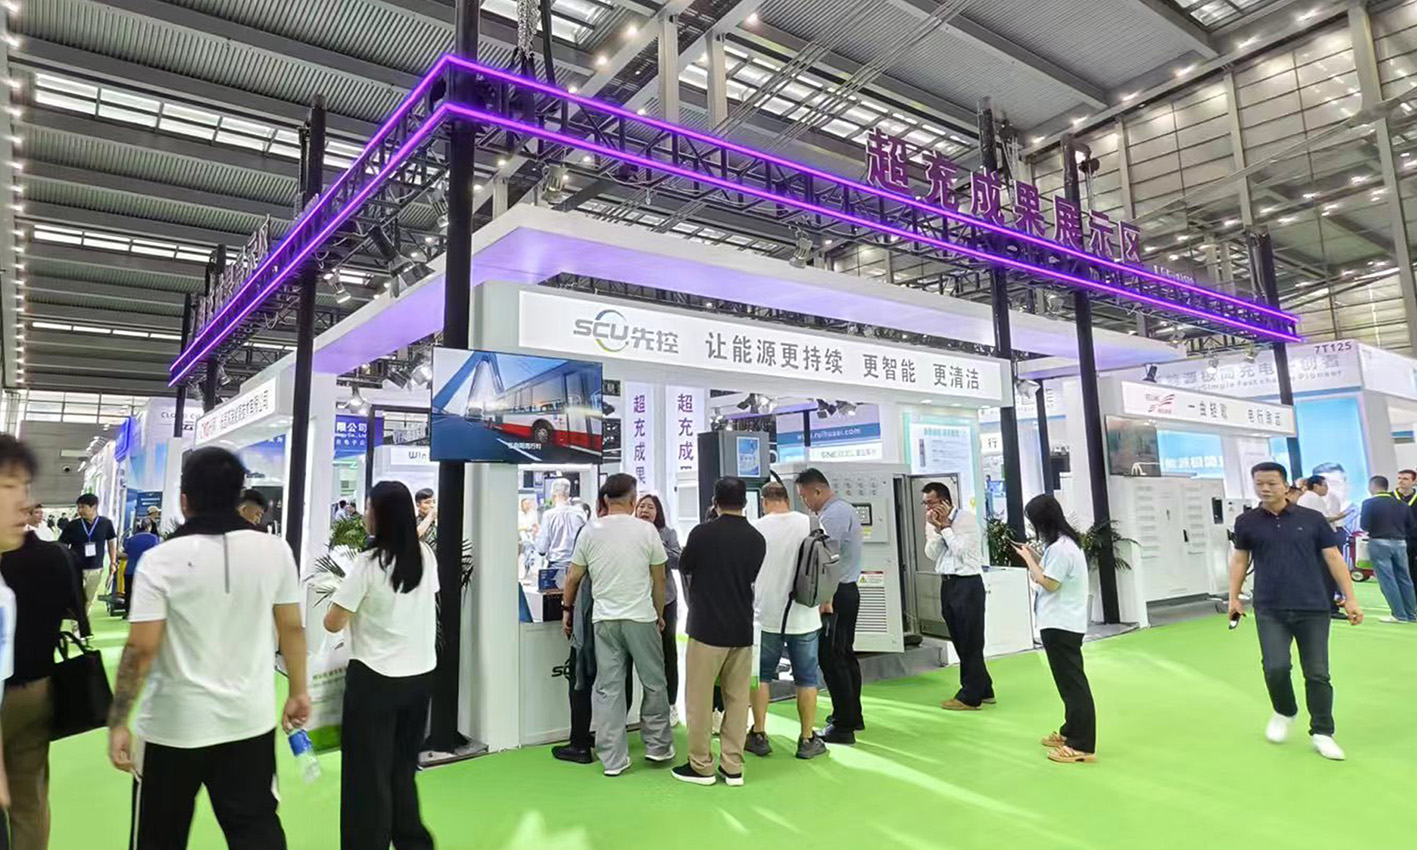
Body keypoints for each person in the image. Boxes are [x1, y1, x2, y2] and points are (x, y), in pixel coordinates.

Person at [107, 447, 309, 849]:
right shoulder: (275, 551)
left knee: (159, 837)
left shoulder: (160, 560)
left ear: (184, 500)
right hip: (248, 722)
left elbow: (141, 650)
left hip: (172, 727)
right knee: (256, 831)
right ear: (238, 496)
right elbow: (291, 628)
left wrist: (118, 720)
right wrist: (298, 691)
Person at [323, 481, 437, 850]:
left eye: (370, 507)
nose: (365, 514)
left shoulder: (368, 564)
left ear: (381, 515)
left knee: (367, 775)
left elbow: (333, 622)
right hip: (419, 676)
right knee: (402, 769)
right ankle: (412, 841)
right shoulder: (424, 555)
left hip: (374, 681)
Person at [1229, 461, 1362, 762]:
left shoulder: (1312, 520)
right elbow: (1239, 560)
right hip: (1269, 606)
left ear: (1286, 485)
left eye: (1271, 483)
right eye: (1259, 483)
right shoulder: (1246, 522)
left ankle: (1323, 732)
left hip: (1312, 606)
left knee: (1317, 673)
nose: (1265, 488)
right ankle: (1284, 711)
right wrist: (1233, 597)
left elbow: (1334, 558)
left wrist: (1350, 598)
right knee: (1275, 667)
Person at [561, 473, 673, 777]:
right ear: (633, 500)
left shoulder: (590, 530)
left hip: (604, 620)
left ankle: (613, 759)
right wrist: (659, 613)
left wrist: (567, 609)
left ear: (605, 499)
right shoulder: (646, 531)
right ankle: (658, 746)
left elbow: (573, 576)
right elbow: (659, 578)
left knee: (608, 689)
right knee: (654, 682)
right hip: (641, 617)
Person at [673, 477, 765, 787]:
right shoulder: (756, 538)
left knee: (699, 699)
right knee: (737, 699)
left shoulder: (702, 533)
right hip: (741, 628)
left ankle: (701, 765)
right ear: (746, 502)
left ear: (714, 502)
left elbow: (685, 566)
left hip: (706, 627)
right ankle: (733, 766)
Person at [0, 438, 66, 848]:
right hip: (36, 687)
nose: (24, 502)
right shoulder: (53, 558)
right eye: (9, 486)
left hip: (23, 692)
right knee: (31, 800)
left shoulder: (5, 592)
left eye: (25, 488)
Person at [1011, 494, 1096, 765]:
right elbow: (1052, 573)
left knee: (1073, 685)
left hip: (1061, 624)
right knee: (1068, 683)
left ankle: (1081, 744)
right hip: (1061, 623)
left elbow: (1049, 583)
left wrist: (1028, 559)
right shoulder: (1064, 545)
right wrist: (1036, 556)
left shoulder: (1061, 549)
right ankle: (1070, 731)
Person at [745, 483, 826, 761]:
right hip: (804, 614)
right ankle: (807, 738)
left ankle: (759, 733)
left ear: (764, 502)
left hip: (765, 614)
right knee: (807, 679)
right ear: (788, 499)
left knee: (761, 676)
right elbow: (826, 564)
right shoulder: (811, 523)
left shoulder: (755, 528)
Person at [795, 468, 864, 744]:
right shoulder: (842, 509)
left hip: (836, 595)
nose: (804, 502)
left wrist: (825, 600)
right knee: (844, 655)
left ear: (817, 490)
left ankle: (843, 725)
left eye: (804, 496)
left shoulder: (833, 515)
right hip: (846, 591)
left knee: (833, 658)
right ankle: (851, 715)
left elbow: (825, 560)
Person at [921, 482, 992, 711]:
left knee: (971, 640)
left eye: (931, 502)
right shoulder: (932, 522)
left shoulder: (966, 520)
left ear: (944, 501)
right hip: (947, 583)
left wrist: (946, 528)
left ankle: (970, 696)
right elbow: (931, 554)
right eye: (925, 504)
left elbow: (960, 550)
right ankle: (984, 687)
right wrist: (937, 530)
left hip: (968, 584)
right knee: (960, 638)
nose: (927, 508)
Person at [634, 494, 682, 716]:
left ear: (658, 512)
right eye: (641, 506)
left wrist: (657, 542)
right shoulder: (630, 532)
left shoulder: (667, 534)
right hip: (637, 598)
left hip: (666, 599)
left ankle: (670, 703)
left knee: (667, 651)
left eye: (650, 507)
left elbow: (678, 560)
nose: (645, 510)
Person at [1359, 475, 1417, 624]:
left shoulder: (1369, 503)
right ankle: (1411, 614)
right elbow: (1411, 525)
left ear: (1372, 486)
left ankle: (1399, 614)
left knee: (1387, 579)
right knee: (1405, 578)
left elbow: (1364, 525)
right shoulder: (1402, 505)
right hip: (1400, 543)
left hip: (1379, 542)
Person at [57, 493, 116, 612]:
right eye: (78, 507)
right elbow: (62, 545)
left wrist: (113, 562)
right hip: (76, 567)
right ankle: (77, 622)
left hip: (96, 567)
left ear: (94, 507)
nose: (79, 510)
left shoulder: (106, 523)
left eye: (83, 507)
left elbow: (111, 543)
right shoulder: (73, 525)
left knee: (89, 598)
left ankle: (82, 619)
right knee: (76, 597)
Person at [537, 479, 586, 589]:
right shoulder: (580, 514)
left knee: (554, 597)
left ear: (553, 494)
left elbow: (542, 548)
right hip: (578, 567)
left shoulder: (548, 515)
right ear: (568, 494)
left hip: (555, 568)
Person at [121, 526, 161, 613]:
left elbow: (124, 553)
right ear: (149, 527)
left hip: (130, 571)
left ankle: (128, 611)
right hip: (147, 571)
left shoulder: (130, 539)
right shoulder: (154, 538)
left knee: (129, 592)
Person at [1392, 469, 1417, 600]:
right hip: (1393, 540)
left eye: (1405, 479)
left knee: (1413, 573)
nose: (1401, 481)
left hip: (1413, 542)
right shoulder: (1390, 498)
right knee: (1396, 573)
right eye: (1400, 478)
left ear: (1414, 481)